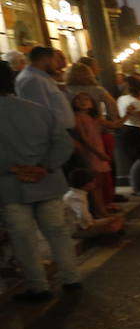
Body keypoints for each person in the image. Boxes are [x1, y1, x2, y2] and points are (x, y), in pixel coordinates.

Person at [0, 74, 80, 301]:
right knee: (58, 233)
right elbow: (64, 144)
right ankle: (71, 279)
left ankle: (39, 287)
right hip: (47, 182)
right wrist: (44, 166)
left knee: (24, 240)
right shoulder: (39, 110)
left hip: (10, 187)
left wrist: (13, 168)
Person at [69, 91, 115, 217]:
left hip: (97, 151)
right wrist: (99, 153)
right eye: (79, 99)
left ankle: (100, 210)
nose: (83, 102)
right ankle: (98, 211)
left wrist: (128, 114)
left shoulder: (93, 118)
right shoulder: (76, 117)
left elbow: (115, 125)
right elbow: (83, 138)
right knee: (92, 183)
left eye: (87, 99)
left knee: (99, 183)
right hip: (90, 153)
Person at [14, 45, 74, 130]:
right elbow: (41, 113)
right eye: (55, 60)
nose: (56, 65)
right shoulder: (33, 80)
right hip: (57, 133)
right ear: (45, 59)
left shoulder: (41, 77)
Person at [64, 168, 125, 240]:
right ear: (88, 184)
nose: (95, 183)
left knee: (116, 219)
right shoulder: (76, 197)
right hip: (76, 230)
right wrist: (102, 224)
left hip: (82, 225)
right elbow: (85, 220)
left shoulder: (77, 194)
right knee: (113, 226)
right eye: (93, 181)